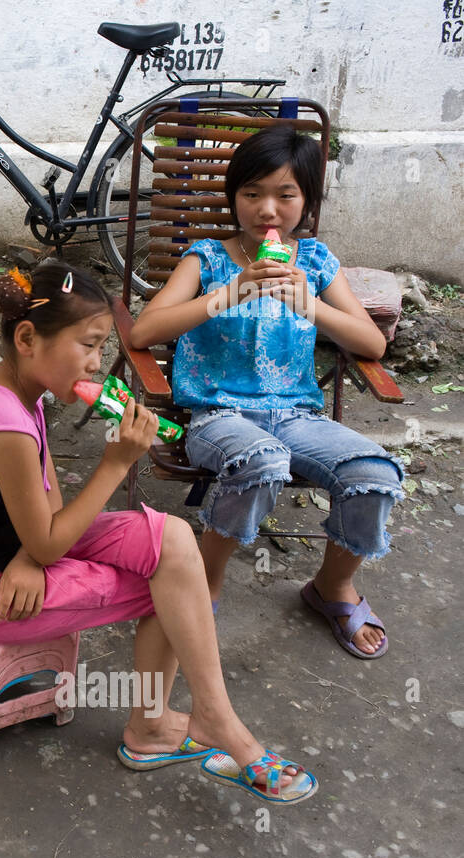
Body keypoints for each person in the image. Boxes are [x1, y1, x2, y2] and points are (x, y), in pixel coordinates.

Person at [0, 261, 317, 804]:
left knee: (173, 541)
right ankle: (182, 725)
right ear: (29, 337)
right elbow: (48, 536)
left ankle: (178, 721)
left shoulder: (12, 384)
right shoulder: (2, 420)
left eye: (101, 348)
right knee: (171, 585)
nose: (96, 363)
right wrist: (116, 463)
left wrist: (32, 555)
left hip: (16, 550)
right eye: (89, 345)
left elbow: (49, 502)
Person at [131, 126, 402, 660]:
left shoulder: (317, 262)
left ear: (307, 200)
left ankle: (333, 588)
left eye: (286, 195)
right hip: (220, 414)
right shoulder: (207, 259)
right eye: (252, 194)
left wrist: (311, 304)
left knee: (374, 473)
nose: (268, 210)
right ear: (234, 197)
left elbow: (372, 342)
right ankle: (205, 583)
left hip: (298, 415)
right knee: (263, 461)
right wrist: (232, 291)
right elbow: (143, 332)